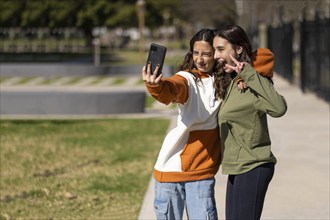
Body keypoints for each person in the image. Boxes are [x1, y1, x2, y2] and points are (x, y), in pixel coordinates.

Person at [212, 25, 287, 220]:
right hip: (238, 166)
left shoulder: (253, 81)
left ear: (238, 49)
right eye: (214, 50)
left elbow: (279, 108)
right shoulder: (232, 80)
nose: (215, 56)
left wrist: (250, 75)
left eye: (220, 49)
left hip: (253, 165)